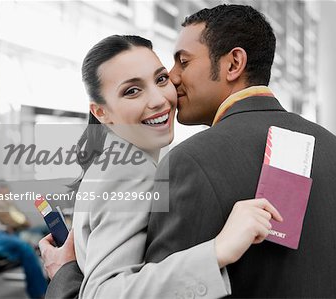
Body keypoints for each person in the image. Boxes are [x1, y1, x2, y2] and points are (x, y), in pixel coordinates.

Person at [44, 4, 336, 298]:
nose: (173, 76)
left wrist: (65, 276)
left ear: (233, 64)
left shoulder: (191, 162)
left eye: (182, 61)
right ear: (100, 111)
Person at [39, 35, 283, 298]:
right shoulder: (130, 170)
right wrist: (218, 251)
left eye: (160, 79)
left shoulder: (114, 159)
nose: (158, 100)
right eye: (132, 91)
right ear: (101, 113)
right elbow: (103, 292)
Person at [0, 183, 48, 299]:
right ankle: (38, 293)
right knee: (24, 247)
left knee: (27, 248)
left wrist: (3, 228)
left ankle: (39, 289)